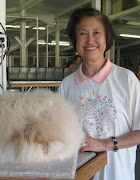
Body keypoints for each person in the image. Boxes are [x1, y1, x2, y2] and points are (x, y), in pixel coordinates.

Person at [58, 7, 140, 180]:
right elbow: (59, 133)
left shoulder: (127, 80)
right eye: (82, 33)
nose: (90, 40)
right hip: (79, 174)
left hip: (118, 175)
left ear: (107, 38)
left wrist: (104, 144)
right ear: (75, 39)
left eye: (96, 33)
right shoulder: (67, 85)